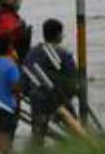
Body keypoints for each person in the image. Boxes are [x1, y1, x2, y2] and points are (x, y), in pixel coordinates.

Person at [20, 18, 78, 147]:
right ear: (58, 35)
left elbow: (25, 76)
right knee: (74, 127)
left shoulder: (33, 52)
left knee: (38, 132)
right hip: (58, 98)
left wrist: (28, 93)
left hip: (38, 98)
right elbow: (72, 79)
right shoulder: (64, 54)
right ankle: (80, 149)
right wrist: (69, 96)